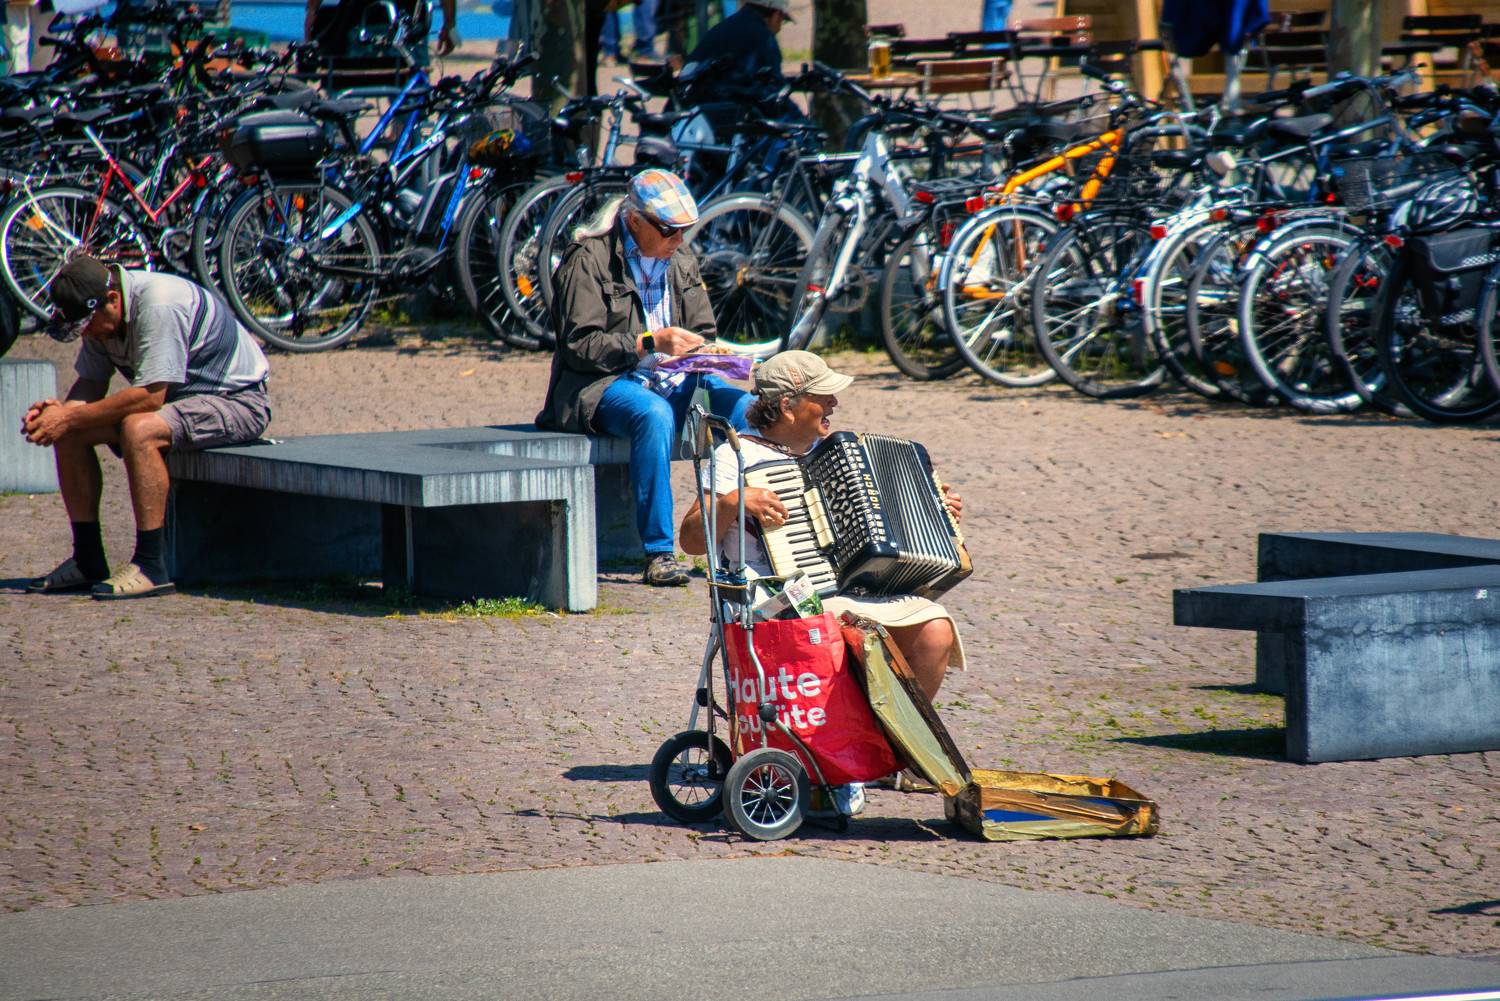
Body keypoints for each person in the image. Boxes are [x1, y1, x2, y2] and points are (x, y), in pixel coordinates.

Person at [678, 350, 966, 703]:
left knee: (935, 630)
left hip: (850, 591)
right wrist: (731, 502)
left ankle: (892, 736)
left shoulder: (834, 454)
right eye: (822, 395)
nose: (834, 402)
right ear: (788, 406)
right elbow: (691, 541)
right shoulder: (735, 457)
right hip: (774, 595)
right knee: (856, 635)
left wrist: (935, 509)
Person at [536, 169, 751, 588]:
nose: (679, 240)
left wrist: (708, 352)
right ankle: (658, 552)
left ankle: (742, 534)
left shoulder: (679, 258)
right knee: (653, 415)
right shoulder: (588, 259)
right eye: (670, 230)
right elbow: (580, 346)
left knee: (744, 408)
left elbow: (702, 328)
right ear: (634, 220)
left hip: (675, 381)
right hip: (603, 385)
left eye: (685, 230)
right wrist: (648, 343)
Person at [21, 256, 271, 599]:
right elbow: (91, 383)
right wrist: (57, 416)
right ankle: (88, 560)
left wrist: (67, 416)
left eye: (87, 325)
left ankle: (151, 566)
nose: (87, 333)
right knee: (71, 431)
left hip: (237, 401)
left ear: (113, 299)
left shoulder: (159, 305)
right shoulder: (100, 313)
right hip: (179, 403)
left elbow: (151, 397)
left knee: (139, 429)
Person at [304, 0, 457, 60]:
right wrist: (449, 26)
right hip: (407, 26)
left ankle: (339, 119)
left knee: (345, 86)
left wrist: (312, 12)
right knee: (412, 95)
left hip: (356, 24)